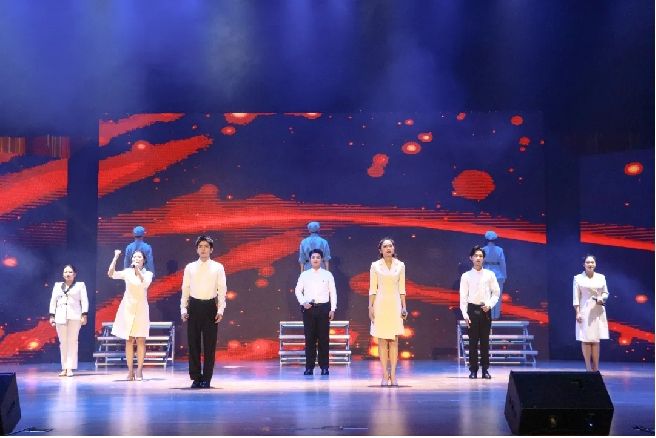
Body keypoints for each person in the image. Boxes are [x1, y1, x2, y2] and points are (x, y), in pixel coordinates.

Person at [180, 236, 227, 389]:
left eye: (206, 246)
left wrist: (220, 309)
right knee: (193, 344)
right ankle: (196, 378)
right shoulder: (190, 267)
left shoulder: (218, 267)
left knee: (209, 345)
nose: (203, 249)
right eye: (200, 246)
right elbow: (185, 289)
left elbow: (222, 290)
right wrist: (183, 308)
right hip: (194, 306)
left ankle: (207, 378)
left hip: (210, 307)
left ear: (211, 249)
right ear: (197, 249)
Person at [108, 249, 153, 381]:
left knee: (141, 339)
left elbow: (144, 283)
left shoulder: (148, 273)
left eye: (139, 257)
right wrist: (115, 257)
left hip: (141, 309)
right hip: (127, 308)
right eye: (134, 257)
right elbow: (111, 274)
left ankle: (139, 370)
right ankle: (130, 371)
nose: (136, 259)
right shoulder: (127, 272)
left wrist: (137, 270)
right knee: (129, 339)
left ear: (144, 260)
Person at [369, 238, 407, 387]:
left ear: (393, 248)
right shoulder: (375, 266)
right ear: (380, 250)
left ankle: (394, 375)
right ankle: (385, 374)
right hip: (380, 304)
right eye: (385, 246)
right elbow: (373, 289)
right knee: (382, 340)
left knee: (394, 340)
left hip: (395, 304)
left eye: (390, 246)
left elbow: (402, 289)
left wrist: (404, 307)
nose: (388, 248)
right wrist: (370, 307)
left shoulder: (400, 265)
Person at [459, 245, 500, 379]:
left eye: (481, 256)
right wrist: (465, 314)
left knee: (485, 342)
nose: (478, 258)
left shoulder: (490, 274)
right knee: (472, 342)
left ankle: (485, 370)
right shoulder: (466, 276)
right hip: (472, 310)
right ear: (471, 258)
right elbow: (463, 297)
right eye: (476, 256)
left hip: (485, 310)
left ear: (484, 259)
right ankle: (473, 370)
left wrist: (490, 304)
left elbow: (496, 293)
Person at [294, 249, 337, 376]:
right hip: (309, 309)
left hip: (324, 308)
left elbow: (333, 292)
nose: (315, 259)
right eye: (313, 257)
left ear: (322, 259)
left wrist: (333, 309)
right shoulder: (304, 275)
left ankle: (324, 367)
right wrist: (303, 302)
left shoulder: (327, 274)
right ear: (310, 260)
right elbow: (297, 290)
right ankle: (309, 367)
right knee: (310, 339)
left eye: (318, 257)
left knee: (324, 339)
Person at [48, 264, 89, 377]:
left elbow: (84, 300)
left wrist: (84, 314)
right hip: (60, 316)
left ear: (74, 274)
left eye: (70, 272)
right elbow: (53, 301)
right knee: (63, 342)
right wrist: (52, 316)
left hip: (75, 316)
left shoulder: (80, 285)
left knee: (72, 341)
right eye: (66, 272)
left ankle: (70, 367)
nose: (68, 274)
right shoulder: (57, 286)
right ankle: (64, 367)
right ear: (63, 274)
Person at [573, 254, 609, 372]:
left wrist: (602, 298)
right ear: (583, 264)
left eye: (592, 262)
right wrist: (578, 312)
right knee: (586, 339)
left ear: (595, 264)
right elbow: (576, 297)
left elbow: (605, 292)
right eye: (588, 262)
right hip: (584, 310)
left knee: (596, 339)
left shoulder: (601, 277)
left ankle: (596, 368)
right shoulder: (578, 278)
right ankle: (588, 368)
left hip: (598, 310)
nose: (590, 264)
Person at [482, 230, 506, 319]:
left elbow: (480, 263)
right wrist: (504, 275)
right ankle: (496, 316)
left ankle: (488, 315)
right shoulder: (499, 250)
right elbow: (503, 263)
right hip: (498, 275)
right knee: (497, 296)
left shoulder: (483, 250)